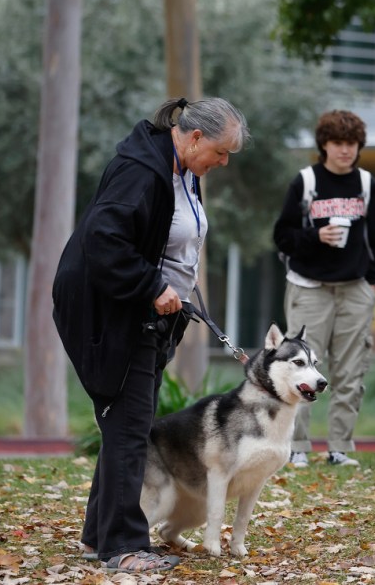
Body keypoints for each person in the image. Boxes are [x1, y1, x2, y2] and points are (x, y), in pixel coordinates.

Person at [53, 97, 249, 574]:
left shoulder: (181, 171)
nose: (223, 163)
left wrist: (175, 291)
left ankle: (99, 536)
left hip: (151, 318)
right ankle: (122, 546)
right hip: (118, 317)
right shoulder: (143, 170)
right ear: (195, 137)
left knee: (127, 425)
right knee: (129, 428)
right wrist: (152, 286)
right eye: (221, 152)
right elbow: (104, 239)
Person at [274, 109, 375, 468]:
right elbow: (282, 236)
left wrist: (373, 282)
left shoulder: (367, 184)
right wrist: (315, 236)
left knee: (351, 370)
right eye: (338, 143)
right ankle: (297, 448)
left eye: (351, 143)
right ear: (324, 145)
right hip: (309, 287)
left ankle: (339, 447)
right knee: (300, 368)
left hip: (355, 288)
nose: (345, 150)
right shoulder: (306, 182)